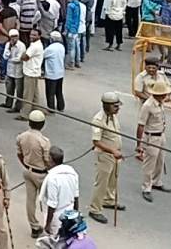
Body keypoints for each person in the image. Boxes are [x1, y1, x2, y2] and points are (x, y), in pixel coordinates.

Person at [87, 91, 124, 224]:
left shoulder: (113, 116)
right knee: (101, 183)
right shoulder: (98, 119)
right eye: (115, 106)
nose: (118, 108)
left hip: (115, 154)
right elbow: (96, 142)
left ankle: (109, 200)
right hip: (105, 155)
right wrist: (113, 150)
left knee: (113, 180)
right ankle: (95, 209)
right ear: (106, 106)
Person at [16, 109, 50, 238]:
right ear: (43, 124)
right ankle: (49, 226)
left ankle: (34, 226)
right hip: (41, 173)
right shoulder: (44, 141)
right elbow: (48, 160)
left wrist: (26, 164)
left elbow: (19, 154)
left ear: (29, 123)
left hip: (28, 170)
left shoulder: (21, 137)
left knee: (30, 201)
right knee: (47, 202)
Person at [137, 80, 171, 203]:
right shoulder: (148, 105)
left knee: (160, 160)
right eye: (162, 94)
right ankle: (146, 187)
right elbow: (141, 125)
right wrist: (139, 144)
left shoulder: (160, 103)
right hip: (151, 137)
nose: (164, 96)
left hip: (161, 135)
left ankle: (156, 181)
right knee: (149, 163)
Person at [40, 146, 79, 236]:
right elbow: (76, 196)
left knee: (56, 241)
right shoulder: (72, 173)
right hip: (70, 213)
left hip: (57, 218)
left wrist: (48, 224)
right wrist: (76, 215)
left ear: (50, 159)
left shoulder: (53, 178)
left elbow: (52, 204)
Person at [19, 29, 44, 120]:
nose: (31, 36)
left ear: (39, 36)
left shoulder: (34, 47)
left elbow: (24, 57)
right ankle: (36, 111)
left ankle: (25, 114)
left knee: (28, 95)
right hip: (34, 72)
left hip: (30, 73)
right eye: (31, 34)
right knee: (34, 95)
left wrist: (22, 54)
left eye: (34, 35)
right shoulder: (36, 45)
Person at [43, 31, 66, 112]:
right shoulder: (62, 47)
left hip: (51, 74)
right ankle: (61, 106)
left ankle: (51, 108)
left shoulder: (50, 48)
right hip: (60, 72)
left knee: (50, 92)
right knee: (59, 91)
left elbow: (43, 55)